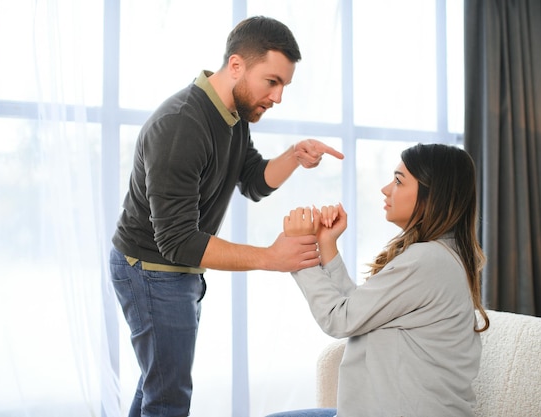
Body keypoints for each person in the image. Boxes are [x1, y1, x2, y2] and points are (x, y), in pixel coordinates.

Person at [109, 16, 344, 417]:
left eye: (284, 85)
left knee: (159, 387)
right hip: (150, 269)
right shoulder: (182, 125)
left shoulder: (231, 115)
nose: (278, 96)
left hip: (175, 269)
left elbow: (253, 180)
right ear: (237, 65)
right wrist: (271, 258)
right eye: (272, 81)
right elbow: (178, 241)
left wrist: (293, 156)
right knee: (168, 398)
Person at [269, 143, 490, 417]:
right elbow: (359, 311)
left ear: (432, 196)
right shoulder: (438, 256)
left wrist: (299, 247)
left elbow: (340, 319)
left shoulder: (427, 261)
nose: (386, 189)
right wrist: (326, 245)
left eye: (398, 181)